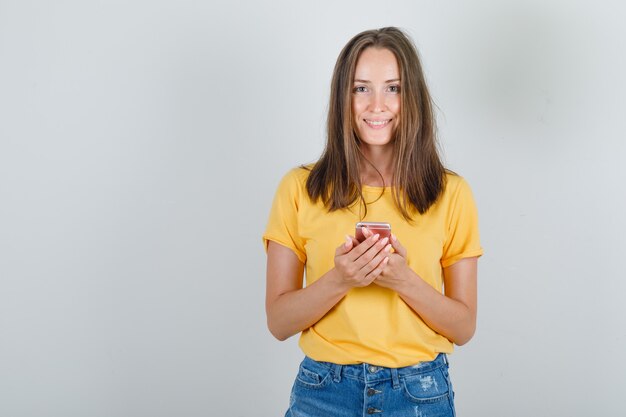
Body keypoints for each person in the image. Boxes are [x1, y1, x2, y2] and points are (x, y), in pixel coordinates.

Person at [263, 27, 483, 417]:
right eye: (361, 88)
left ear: (411, 96)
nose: (376, 105)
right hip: (323, 394)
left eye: (393, 88)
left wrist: (402, 280)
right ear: (342, 98)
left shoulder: (451, 193)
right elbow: (279, 322)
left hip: (419, 393)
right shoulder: (299, 188)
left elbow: (463, 328)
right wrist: (341, 279)